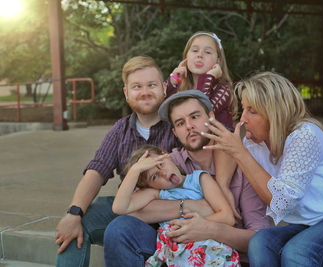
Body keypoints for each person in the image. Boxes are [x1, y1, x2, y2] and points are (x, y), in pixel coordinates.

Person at [201, 71, 323, 266]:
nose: (243, 118)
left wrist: (240, 153)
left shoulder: (305, 135)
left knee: (297, 252)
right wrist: (223, 184)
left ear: (275, 112)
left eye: (252, 111)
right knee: (260, 242)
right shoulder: (254, 146)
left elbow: (283, 201)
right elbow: (229, 164)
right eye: (243, 109)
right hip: (314, 225)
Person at [103, 90, 269, 267]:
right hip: (176, 252)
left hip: (223, 257)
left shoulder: (241, 166)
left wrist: (209, 228)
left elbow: (259, 238)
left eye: (195, 117)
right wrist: (187, 207)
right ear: (175, 132)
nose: (189, 126)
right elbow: (130, 210)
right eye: (181, 123)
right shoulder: (167, 164)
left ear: (211, 117)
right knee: (119, 228)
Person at [54, 56, 183, 267]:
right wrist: (74, 211)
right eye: (137, 86)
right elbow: (96, 171)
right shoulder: (120, 130)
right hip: (130, 209)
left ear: (164, 87)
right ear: (126, 93)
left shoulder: (177, 125)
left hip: (169, 218)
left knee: (121, 226)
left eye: (152, 85)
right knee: (74, 221)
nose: (145, 92)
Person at [113, 144, 240, 266]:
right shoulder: (158, 193)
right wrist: (135, 170)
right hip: (180, 258)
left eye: (161, 164)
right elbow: (120, 207)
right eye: (154, 177)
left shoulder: (199, 179)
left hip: (212, 252)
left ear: (166, 155)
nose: (163, 173)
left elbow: (227, 217)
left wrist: (192, 226)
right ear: (150, 186)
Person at [167, 31, 239, 219]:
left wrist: (209, 78)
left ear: (218, 61)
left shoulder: (223, 89)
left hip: (221, 160)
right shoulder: (181, 87)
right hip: (193, 157)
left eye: (208, 52)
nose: (200, 55)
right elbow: (166, 107)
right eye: (195, 51)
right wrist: (174, 79)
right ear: (185, 58)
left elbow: (203, 106)